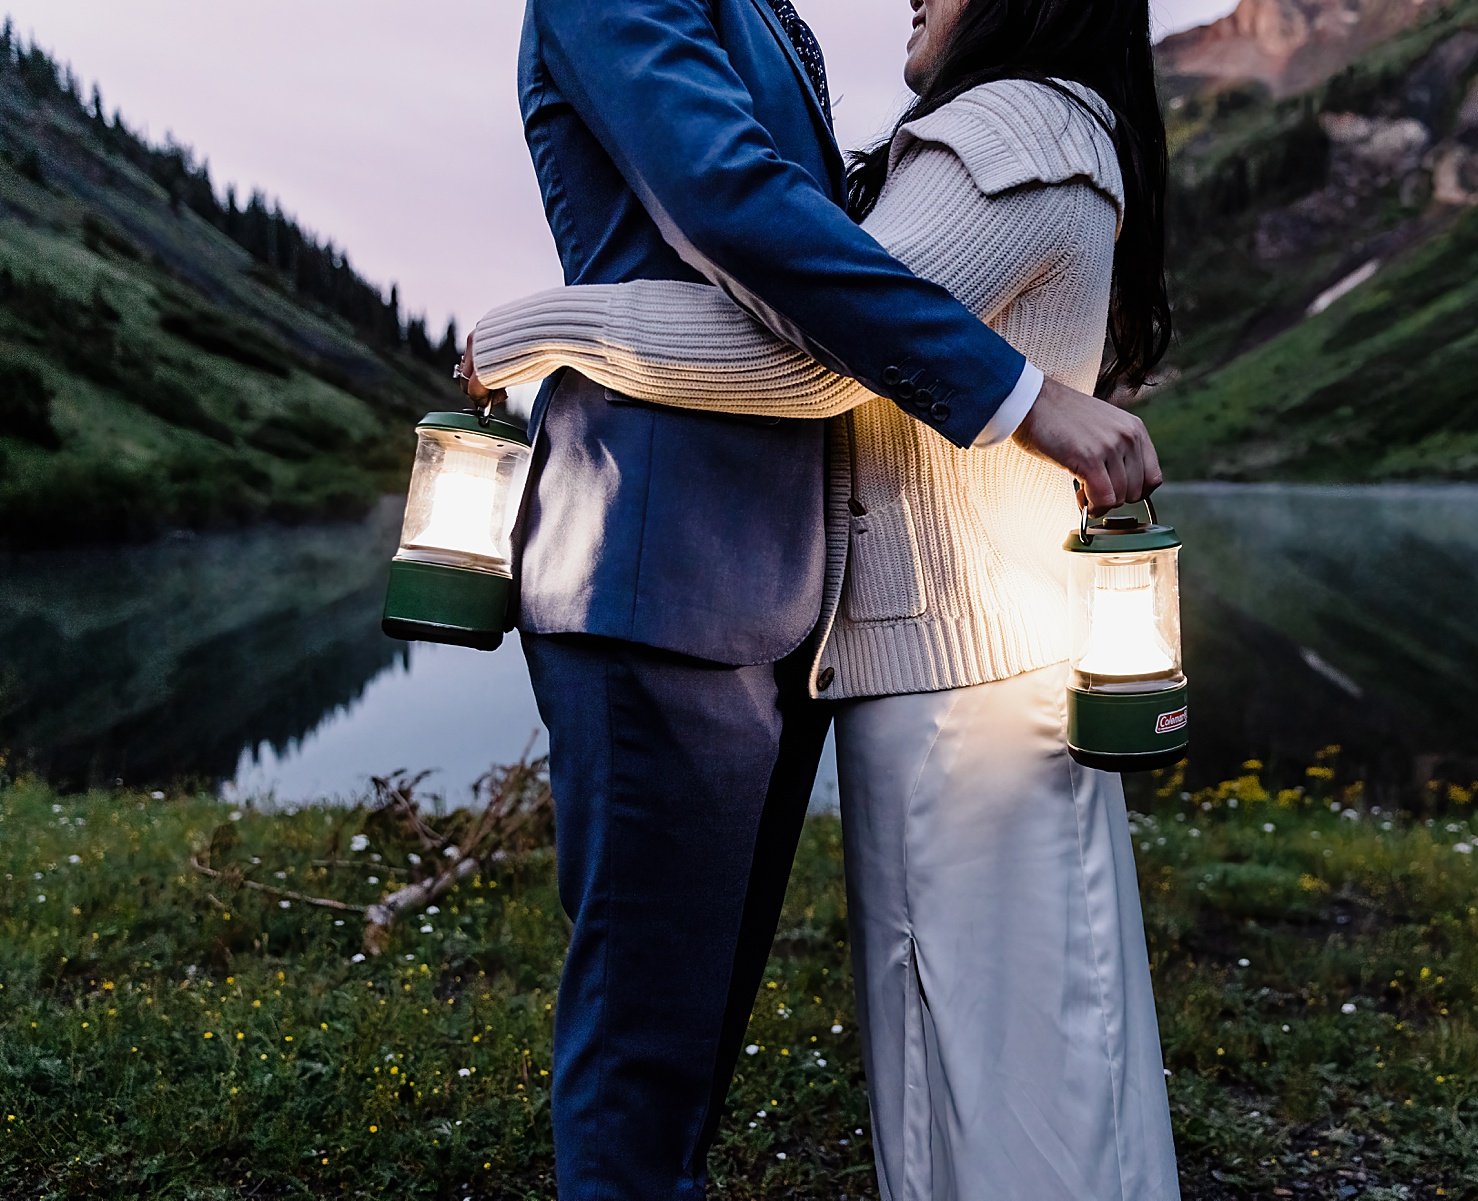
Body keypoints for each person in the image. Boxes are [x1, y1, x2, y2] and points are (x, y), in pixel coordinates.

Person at [464, 0, 1181, 1195]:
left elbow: (824, 270)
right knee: (644, 1058)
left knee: (696, 1050)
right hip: (656, 569)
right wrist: (1015, 391)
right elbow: (735, 204)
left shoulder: (773, 17)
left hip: (783, 601)